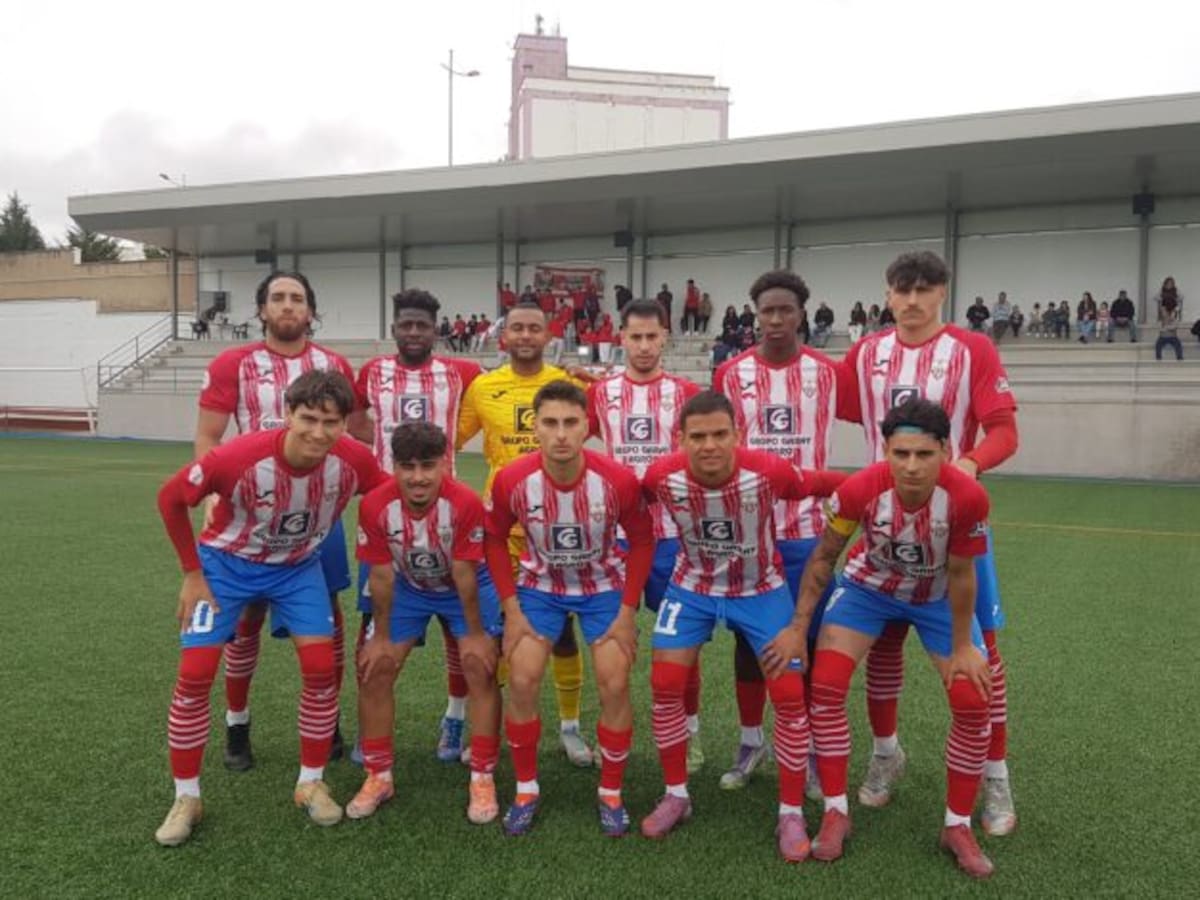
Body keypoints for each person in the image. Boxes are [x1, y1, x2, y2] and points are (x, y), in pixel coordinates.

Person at [154, 370, 387, 846]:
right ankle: (186, 797)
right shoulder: (237, 458)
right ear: (287, 414)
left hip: (297, 569)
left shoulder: (354, 460)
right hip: (225, 567)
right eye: (308, 419)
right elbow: (170, 498)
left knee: (321, 668)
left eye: (331, 422)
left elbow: (386, 495)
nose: (318, 432)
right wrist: (192, 573)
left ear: (345, 423)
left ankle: (310, 782)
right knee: (195, 674)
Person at [839, 250, 1019, 838]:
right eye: (902, 289)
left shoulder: (972, 350)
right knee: (884, 641)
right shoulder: (866, 353)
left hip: (955, 525)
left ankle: (995, 775)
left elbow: (1005, 431)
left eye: (924, 289)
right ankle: (886, 753)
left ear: (943, 292)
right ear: (887, 294)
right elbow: (828, 402)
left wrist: (967, 464)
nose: (912, 300)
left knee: (983, 656)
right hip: (883, 524)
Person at [776, 398, 995, 878]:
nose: (911, 466)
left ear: (946, 450)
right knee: (826, 684)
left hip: (936, 596)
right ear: (885, 451)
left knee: (972, 699)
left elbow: (962, 573)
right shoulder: (858, 489)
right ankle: (836, 811)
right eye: (901, 454)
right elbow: (824, 557)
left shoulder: (967, 497)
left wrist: (963, 647)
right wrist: (797, 627)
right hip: (867, 590)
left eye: (924, 454)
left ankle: (957, 825)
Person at [639, 391, 845, 860]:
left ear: (738, 434)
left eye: (720, 434)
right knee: (665, 684)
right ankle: (676, 795)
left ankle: (790, 812)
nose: (709, 445)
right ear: (680, 439)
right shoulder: (661, 475)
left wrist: (882, 483)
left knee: (789, 695)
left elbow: (824, 483)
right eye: (698, 437)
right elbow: (628, 497)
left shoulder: (768, 471)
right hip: (690, 588)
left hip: (760, 590)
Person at [194, 270, 357, 772]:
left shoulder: (334, 365)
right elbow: (208, 437)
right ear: (262, 308)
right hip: (252, 510)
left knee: (328, 616)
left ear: (311, 310)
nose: (288, 306)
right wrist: (211, 493)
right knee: (246, 620)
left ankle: (328, 721)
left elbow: (350, 435)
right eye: (278, 298)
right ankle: (237, 723)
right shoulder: (232, 363)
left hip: (316, 513)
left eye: (297, 298)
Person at [487, 381, 653, 836]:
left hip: (603, 588)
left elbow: (642, 540)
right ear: (535, 427)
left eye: (570, 423)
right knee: (522, 678)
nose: (560, 434)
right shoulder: (512, 479)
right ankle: (526, 789)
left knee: (615, 682)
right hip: (540, 588)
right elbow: (494, 538)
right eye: (550, 423)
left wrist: (627, 612)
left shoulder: (617, 480)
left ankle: (611, 792)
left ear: (587, 427)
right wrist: (511, 609)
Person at [713, 270, 851, 793]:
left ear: (801, 315)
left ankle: (810, 749)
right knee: (748, 643)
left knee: (807, 640)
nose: (774, 319)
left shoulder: (830, 373)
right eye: (766, 311)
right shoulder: (730, 374)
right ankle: (752, 741)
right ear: (755, 316)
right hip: (750, 533)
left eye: (784, 310)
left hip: (809, 531)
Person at [456, 302, 594, 766]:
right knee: (500, 629)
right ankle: (489, 725)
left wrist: (600, 381)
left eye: (535, 328)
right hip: (502, 527)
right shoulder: (483, 387)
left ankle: (570, 727)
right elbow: (449, 441)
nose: (526, 336)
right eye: (517, 328)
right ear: (504, 336)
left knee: (563, 630)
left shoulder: (569, 383)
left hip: (561, 525)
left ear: (548, 335)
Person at [352, 289, 483, 763]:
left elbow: (510, 387)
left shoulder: (463, 372)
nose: (413, 332)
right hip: (387, 515)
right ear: (394, 328)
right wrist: (385, 460)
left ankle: (454, 719)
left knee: (457, 626)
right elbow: (355, 419)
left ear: (435, 330)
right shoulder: (372, 372)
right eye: (405, 324)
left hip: (448, 513)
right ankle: (369, 730)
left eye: (422, 325)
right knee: (373, 624)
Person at [350, 422, 502, 823]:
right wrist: (381, 637)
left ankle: (482, 775)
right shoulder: (375, 505)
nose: (418, 477)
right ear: (394, 466)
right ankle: (378, 775)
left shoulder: (465, 502)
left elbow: (465, 573)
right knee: (376, 668)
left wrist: (475, 634)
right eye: (407, 466)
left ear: (445, 464)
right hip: (409, 587)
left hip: (463, 586)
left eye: (428, 466)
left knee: (479, 666)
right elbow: (380, 575)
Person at [588, 299, 702, 768]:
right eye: (635, 337)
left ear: (665, 338)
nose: (643, 346)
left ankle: (690, 733)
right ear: (622, 338)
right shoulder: (601, 393)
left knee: (683, 644)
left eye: (652, 336)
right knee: (612, 643)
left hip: (674, 538)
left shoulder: (686, 393)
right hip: (617, 539)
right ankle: (613, 733)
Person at [1156, 292, 1184, 360]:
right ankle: (1159, 358)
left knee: (1178, 345)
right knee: (1158, 346)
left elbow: (1175, 325)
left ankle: (1179, 357)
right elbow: (1162, 323)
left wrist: (1167, 327)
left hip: (1172, 336)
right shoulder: (1163, 310)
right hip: (1164, 336)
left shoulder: (1174, 312)